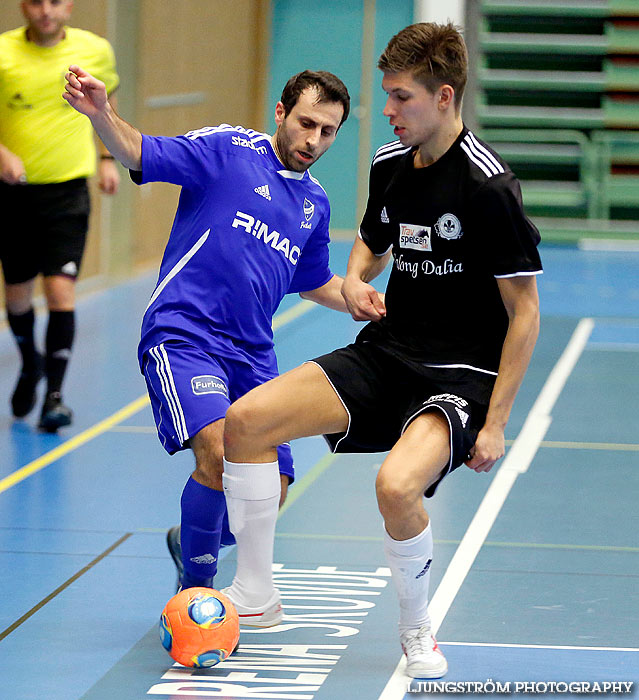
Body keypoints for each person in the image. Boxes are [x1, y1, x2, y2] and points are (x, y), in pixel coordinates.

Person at [222, 22, 542, 679]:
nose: (387, 111)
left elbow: (525, 313)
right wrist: (351, 277)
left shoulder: (487, 187)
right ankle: (255, 594)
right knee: (247, 421)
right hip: (387, 351)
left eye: (400, 98)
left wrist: (497, 423)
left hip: (461, 372)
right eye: (387, 96)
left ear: (444, 96)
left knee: (396, 484)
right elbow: (373, 239)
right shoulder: (388, 164)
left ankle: (416, 628)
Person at [63, 63, 354, 618]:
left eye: (328, 131)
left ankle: (191, 539)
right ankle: (196, 597)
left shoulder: (315, 205)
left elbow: (315, 282)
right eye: (307, 124)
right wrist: (102, 114)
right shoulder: (228, 150)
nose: (314, 141)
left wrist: (361, 300)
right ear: (281, 113)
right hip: (185, 333)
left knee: (273, 486)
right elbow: (140, 152)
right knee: (221, 456)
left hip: (253, 354)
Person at [0, 0, 119, 431]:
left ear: (68, 5)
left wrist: (107, 155)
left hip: (68, 193)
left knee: (60, 294)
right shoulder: (3, 52)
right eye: (35, 2)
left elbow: (107, 99)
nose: (45, 11)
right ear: (22, 6)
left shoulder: (95, 49)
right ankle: (31, 364)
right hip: (13, 195)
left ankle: (54, 396)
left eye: (55, 1)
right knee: (16, 297)